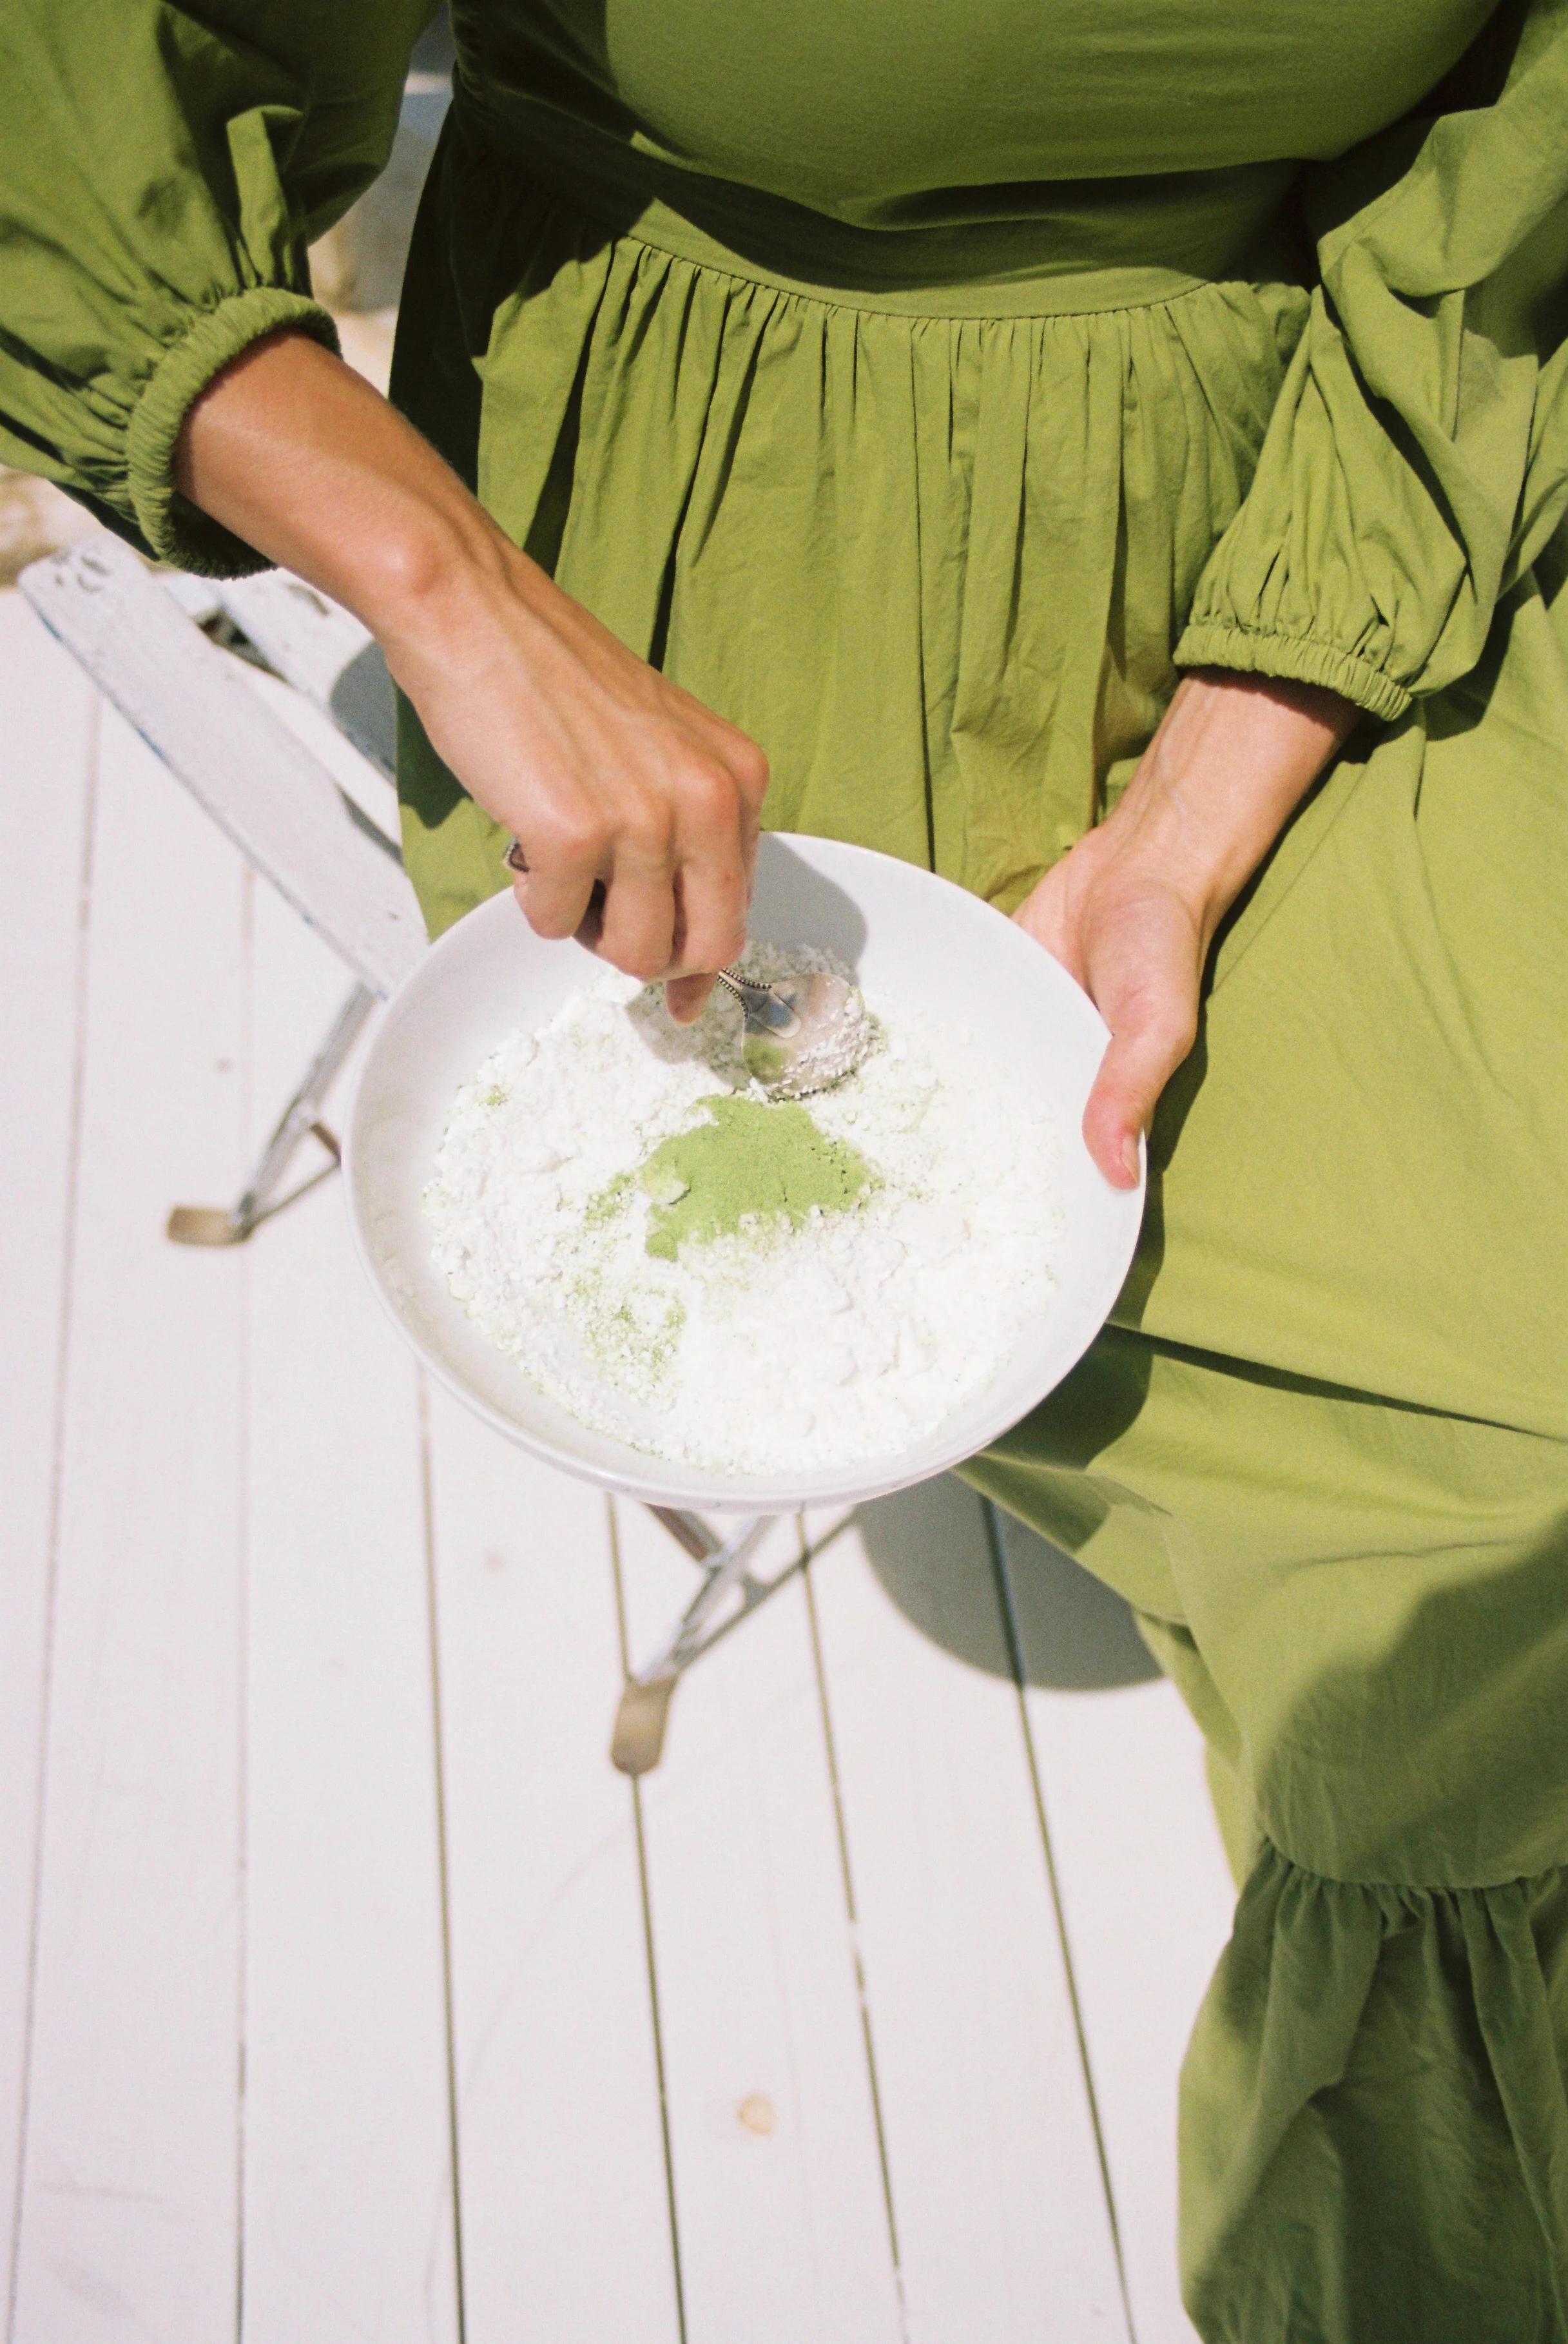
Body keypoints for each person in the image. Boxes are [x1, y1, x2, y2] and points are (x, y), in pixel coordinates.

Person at [4, 3, 1567, 2333]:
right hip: (721, 480)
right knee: (1459, 1574)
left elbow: (1511, 195)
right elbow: (69, 92)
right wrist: (456, 596)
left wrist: (1202, 793)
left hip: (1390, 432)